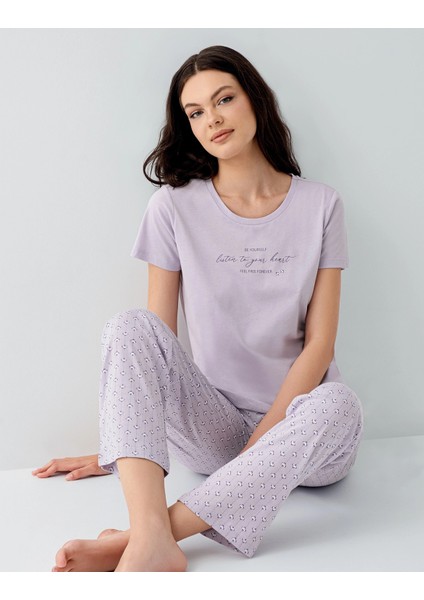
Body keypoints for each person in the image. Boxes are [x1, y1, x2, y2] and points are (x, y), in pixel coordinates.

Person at [33, 45, 364, 572]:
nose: (212, 119)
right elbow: (155, 348)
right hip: (214, 432)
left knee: (339, 402)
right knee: (131, 326)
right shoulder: (172, 206)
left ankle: (146, 538)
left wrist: (261, 448)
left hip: (306, 436)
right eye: (195, 112)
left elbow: (320, 346)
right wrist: (120, 449)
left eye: (224, 99)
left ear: (254, 100)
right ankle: (151, 535)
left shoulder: (322, 204)